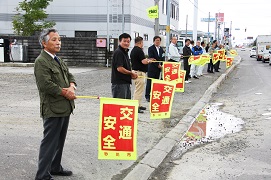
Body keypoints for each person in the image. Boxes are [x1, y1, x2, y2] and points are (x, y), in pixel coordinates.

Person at [34, 28, 76, 180]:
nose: (58, 42)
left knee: (60, 140)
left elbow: (69, 74)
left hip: (64, 107)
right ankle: (42, 175)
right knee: (50, 142)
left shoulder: (57, 59)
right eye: (54, 39)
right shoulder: (41, 61)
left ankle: (55, 166)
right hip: (52, 108)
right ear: (44, 43)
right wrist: (66, 92)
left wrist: (71, 86)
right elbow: (45, 85)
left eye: (59, 39)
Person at [111, 33, 138, 99]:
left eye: (128, 41)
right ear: (120, 41)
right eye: (124, 41)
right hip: (119, 84)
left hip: (125, 83)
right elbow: (120, 68)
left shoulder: (124, 52)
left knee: (126, 105)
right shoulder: (119, 52)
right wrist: (131, 73)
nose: (126, 43)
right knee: (120, 105)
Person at [130, 36, 153, 113]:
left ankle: (139, 104)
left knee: (139, 89)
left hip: (136, 71)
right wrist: (149, 61)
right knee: (138, 90)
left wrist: (148, 60)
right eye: (142, 42)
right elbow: (143, 61)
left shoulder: (133, 50)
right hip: (139, 72)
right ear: (140, 42)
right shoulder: (139, 50)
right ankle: (136, 106)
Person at [145, 36, 165, 102]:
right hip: (152, 68)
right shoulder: (151, 48)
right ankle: (147, 96)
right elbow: (151, 58)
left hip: (158, 69)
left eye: (159, 40)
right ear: (154, 41)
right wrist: (157, 65)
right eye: (156, 40)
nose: (157, 42)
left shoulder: (161, 49)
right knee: (149, 82)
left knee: (156, 82)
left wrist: (162, 65)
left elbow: (162, 58)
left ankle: (154, 95)